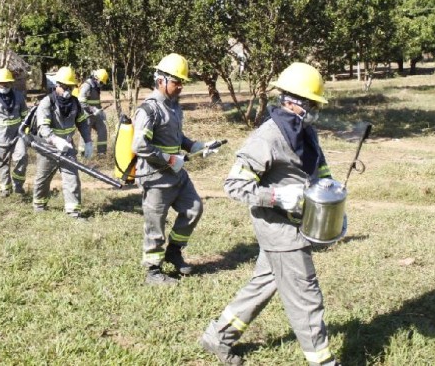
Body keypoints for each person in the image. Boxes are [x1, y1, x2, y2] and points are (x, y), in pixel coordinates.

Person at [199, 62, 338, 366]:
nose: (315, 109)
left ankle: (218, 336)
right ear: (294, 102)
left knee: (264, 282)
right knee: (306, 298)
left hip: (299, 223)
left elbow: (320, 169)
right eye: (312, 103)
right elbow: (234, 185)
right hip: (279, 229)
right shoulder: (268, 136)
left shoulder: (305, 132)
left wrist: (331, 193)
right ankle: (323, 362)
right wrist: (275, 196)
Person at [132, 53, 220, 285]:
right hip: (155, 177)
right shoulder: (148, 110)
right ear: (161, 80)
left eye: (182, 82)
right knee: (156, 224)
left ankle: (174, 251)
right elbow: (140, 145)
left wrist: (197, 147)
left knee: (194, 209)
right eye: (176, 81)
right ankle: (153, 270)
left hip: (177, 175)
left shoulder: (173, 107)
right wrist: (170, 160)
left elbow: (177, 137)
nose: (180, 86)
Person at [33, 66, 93, 219]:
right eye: (64, 86)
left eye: (70, 87)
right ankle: (39, 204)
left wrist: (88, 141)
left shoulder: (75, 103)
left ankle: (73, 212)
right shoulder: (47, 103)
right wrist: (54, 140)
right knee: (43, 178)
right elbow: (43, 127)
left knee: (72, 178)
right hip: (48, 147)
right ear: (57, 85)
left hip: (67, 147)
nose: (67, 90)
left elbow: (82, 123)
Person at [0, 68, 30, 197]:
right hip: (0, 137)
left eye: (6, 83)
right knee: (2, 164)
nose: (3, 86)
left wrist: (28, 132)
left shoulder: (18, 96)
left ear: (11, 83)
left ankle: (18, 186)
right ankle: (5, 188)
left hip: (18, 135)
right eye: (1, 84)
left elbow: (26, 116)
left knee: (22, 158)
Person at [78, 68, 109, 156]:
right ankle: (82, 155)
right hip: (86, 115)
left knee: (102, 130)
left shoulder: (96, 86)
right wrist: (92, 109)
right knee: (85, 134)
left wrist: (101, 111)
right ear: (96, 78)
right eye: (101, 82)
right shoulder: (87, 85)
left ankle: (101, 153)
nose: (102, 85)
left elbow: (96, 102)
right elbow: (81, 101)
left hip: (95, 114)